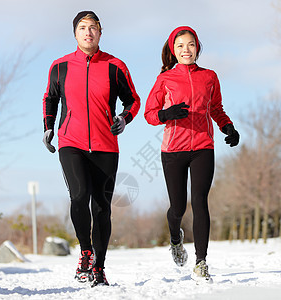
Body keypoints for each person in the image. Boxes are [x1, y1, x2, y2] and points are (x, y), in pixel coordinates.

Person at [42, 11, 140, 287]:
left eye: (93, 28)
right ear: (75, 33)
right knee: (79, 195)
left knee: (102, 208)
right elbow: (50, 98)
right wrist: (48, 127)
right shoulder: (60, 66)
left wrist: (124, 118)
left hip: (106, 145)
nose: (88, 32)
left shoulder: (114, 66)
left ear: (100, 32)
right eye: (82, 28)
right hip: (70, 142)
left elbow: (132, 100)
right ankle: (85, 250)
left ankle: (99, 266)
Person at [144, 26, 239, 282]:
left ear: (197, 47)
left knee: (199, 201)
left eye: (190, 45)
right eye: (180, 46)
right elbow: (150, 114)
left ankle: (201, 261)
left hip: (203, 147)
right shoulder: (165, 79)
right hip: (173, 149)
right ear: (173, 51)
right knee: (177, 207)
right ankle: (176, 239)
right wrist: (166, 114)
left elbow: (216, 108)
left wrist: (227, 126)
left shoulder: (209, 77)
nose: (186, 50)